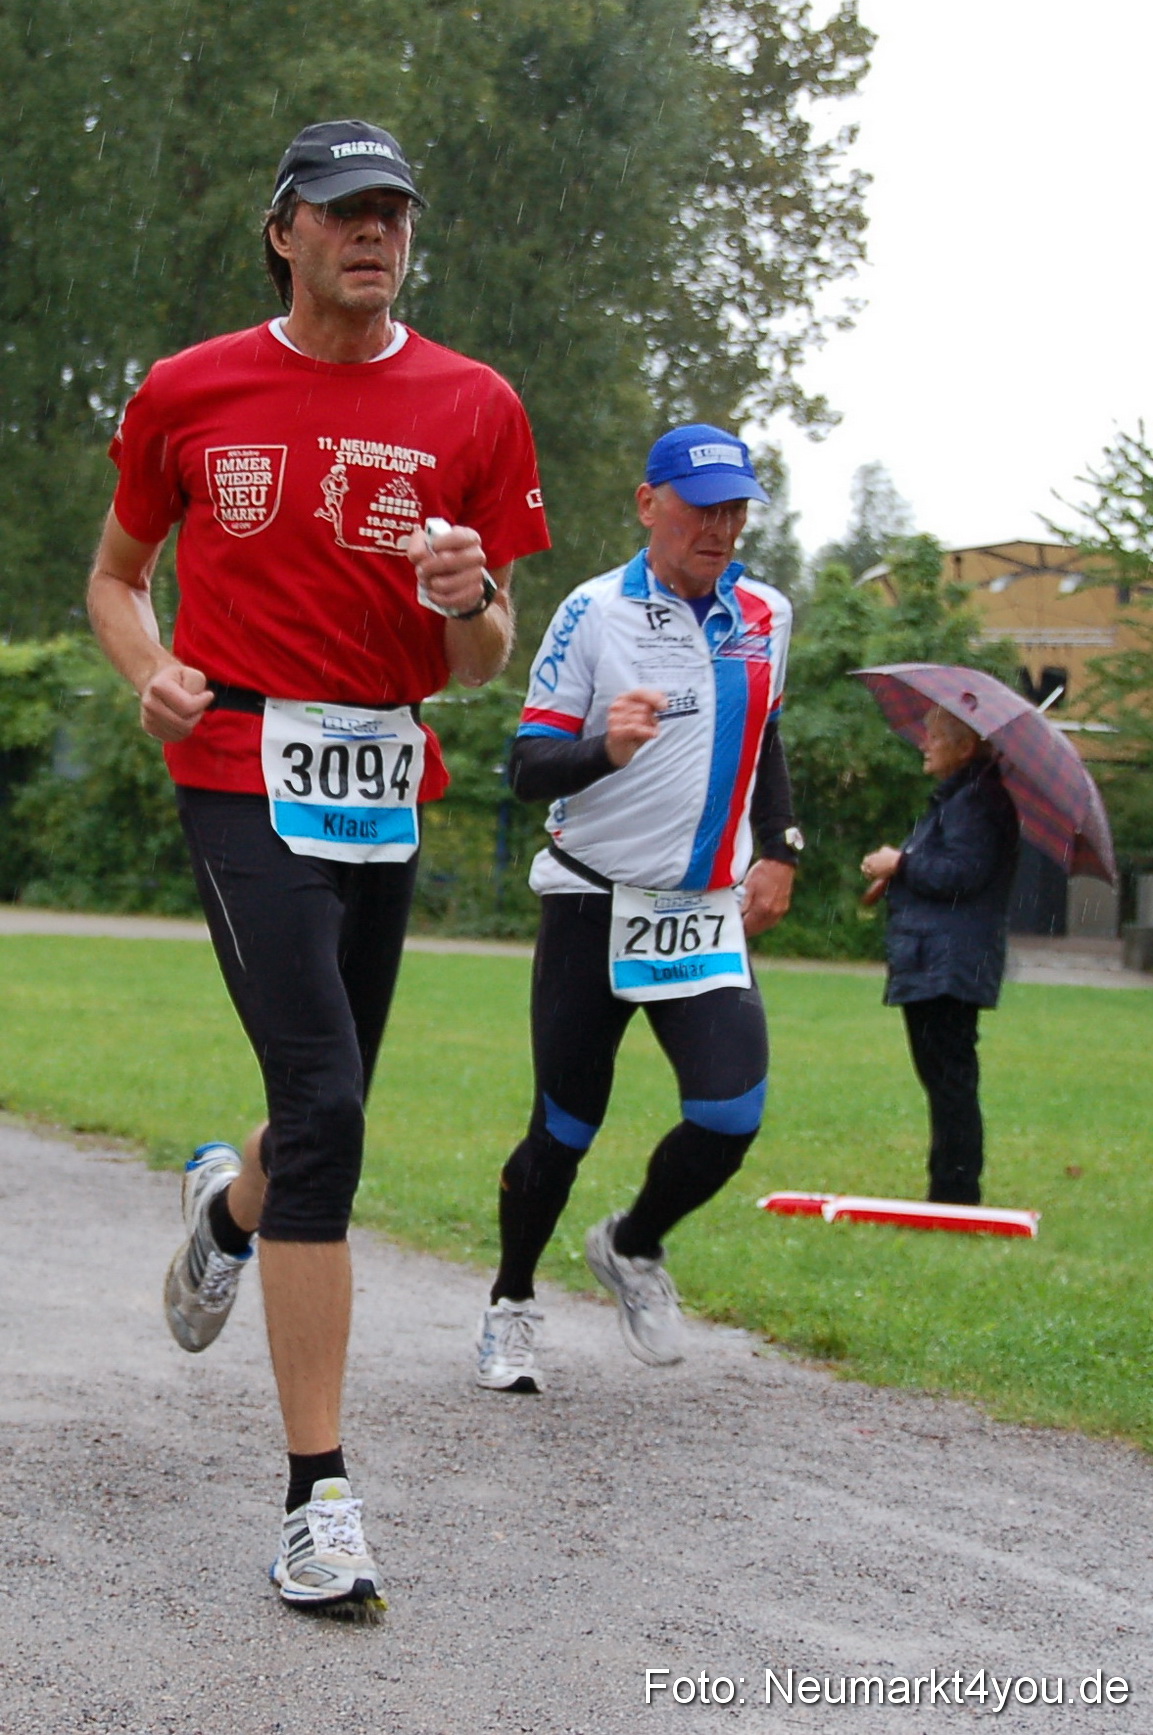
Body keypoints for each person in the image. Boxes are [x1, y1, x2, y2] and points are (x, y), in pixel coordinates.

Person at [87, 119, 549, 1612]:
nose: (376, 233)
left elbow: (481, 660)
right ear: (283, 228)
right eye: (346, 211)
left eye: (395, 213)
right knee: (330, 1106)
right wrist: (150, 666)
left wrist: (469, 600)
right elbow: (114, 573)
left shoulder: (475, 404)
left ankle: (229, 1214)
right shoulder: (188, 388)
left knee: (321, 1112)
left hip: (383, 773)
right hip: (235, 764)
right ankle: (316, 1500)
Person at [475, 425, 801, 1393]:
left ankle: (633, 1243)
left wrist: (778, 847)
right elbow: (528, 766)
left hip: (701, 910)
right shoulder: (593, 612)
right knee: (564, 1130)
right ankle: (510, 1302)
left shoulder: (766, 611)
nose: (721, 524)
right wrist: (603, 748)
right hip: (592, 899)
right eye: (702, 505)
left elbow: (767, 737)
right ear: (647, 502)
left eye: (736, 507)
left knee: (730, 1112)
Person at [860, 706, 1020, 1206]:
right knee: (944, 1077)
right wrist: (900, 871)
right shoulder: (963, 798)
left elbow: (962, 874)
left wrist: (901, 862)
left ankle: (954, 1192)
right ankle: (949, 1187)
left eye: (935, 737)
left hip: (948, 960)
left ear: (965, 748)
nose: (924, 744)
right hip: (937, 957)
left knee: (950, 1079)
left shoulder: (974, 800)